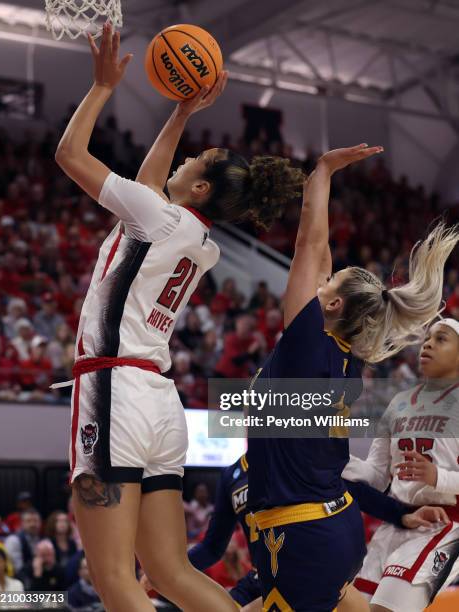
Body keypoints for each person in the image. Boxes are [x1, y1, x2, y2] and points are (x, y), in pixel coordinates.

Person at [54, 22, 303, 612]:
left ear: (198, 186)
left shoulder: (158, 218)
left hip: (113, 389)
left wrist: (101, 87)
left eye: (196, 159)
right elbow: (149, 185)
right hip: (159, 404)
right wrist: (181, 112)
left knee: (114, 580)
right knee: (169, 573)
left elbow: (69, 154)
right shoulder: (198, 239)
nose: (186, 158)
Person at [246, 144, 459, 611]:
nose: (318, 281)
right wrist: (400, 514)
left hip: (303, 532)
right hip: (331, 525)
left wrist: (321, 172)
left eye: (327, 283)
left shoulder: (308, 346)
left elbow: (309, 244)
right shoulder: (344, 360)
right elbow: (318, 254)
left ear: (334, 305)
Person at [188, 454, 449, 611]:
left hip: (303, 575)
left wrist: (402, 514)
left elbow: (353, 491)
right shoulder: (230, 475)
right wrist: (173, 567)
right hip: (259, 579)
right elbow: (212, 547)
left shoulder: (298, 457)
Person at [344, 318, 459, 611]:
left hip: (445, 525)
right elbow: (376, 475)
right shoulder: (399, 403)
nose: (429, 343)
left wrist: (439, 477)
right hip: (398, 521)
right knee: (352, 607)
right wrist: (333, 459)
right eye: (427, 338)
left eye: (441, 338)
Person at [4, 508, 41, 577]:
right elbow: (17, 569)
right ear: (22, 523)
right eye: (28, 521)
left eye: (36, 521)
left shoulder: (42, 540)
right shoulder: (13, 540)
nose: (33, 524)